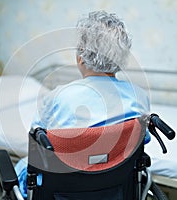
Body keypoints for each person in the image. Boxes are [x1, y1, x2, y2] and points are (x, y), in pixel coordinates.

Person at [15, 10, 150, 197]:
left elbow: (38, 143)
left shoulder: (58, 97)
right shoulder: (139, 96)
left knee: (20, 166)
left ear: (80, 58)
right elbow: (143, 139)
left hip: (63, 188)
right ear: (121, 60)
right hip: (116, 186)